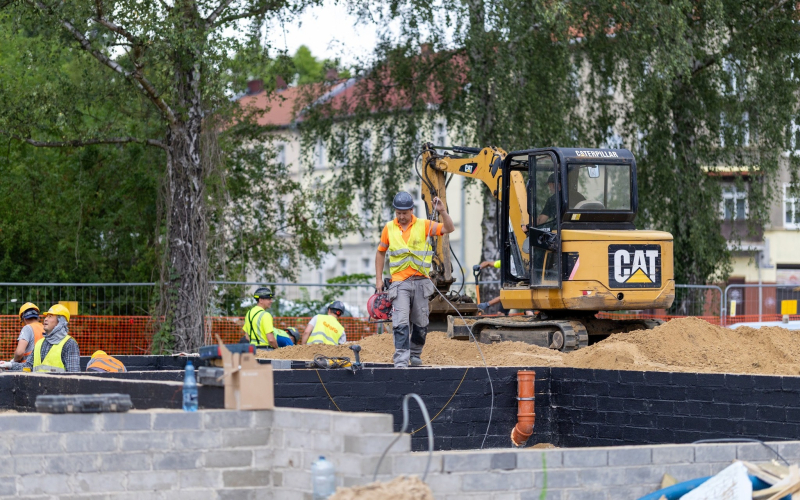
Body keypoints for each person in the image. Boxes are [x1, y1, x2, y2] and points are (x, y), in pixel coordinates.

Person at [375, 191, 455, 367]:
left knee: (421, 322)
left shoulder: (423, 225)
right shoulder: (389, 228)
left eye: (404, 213)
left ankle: (416, 354)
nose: (401, 217)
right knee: (401, 321)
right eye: (398, 213)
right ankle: (401, 360)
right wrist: (378, 280)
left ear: (412, 210)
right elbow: (380, 253)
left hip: (421, 282)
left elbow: (449, 228)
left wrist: (442, 211)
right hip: (400, 283)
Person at [0, 304, 80, 373]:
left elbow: (74, 375)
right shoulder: (40, 343)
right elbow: (28, 366)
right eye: (46, 316)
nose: (45, 319)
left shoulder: (69, 344)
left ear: (60, 322)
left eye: (50, 316)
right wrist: (9, 365)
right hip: (38, 386)